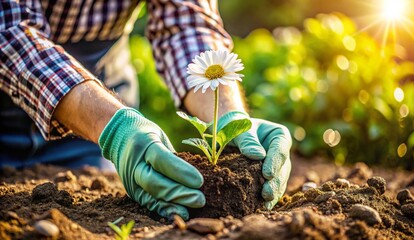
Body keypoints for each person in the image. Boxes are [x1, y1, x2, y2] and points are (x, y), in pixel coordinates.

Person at [0, 0, 292, 220]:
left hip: (93, 116)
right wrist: (115, 129)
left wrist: (231, 116)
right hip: (85, 111)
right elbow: (8, 30)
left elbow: (186, 23)